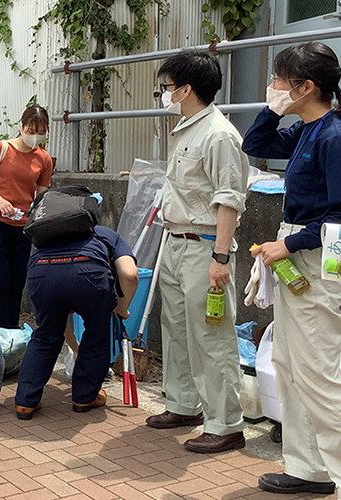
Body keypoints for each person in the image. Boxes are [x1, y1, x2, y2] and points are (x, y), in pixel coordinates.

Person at [242, 42, 341, 496]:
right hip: (297, 253)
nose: (273, 86)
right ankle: (309, 469)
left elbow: (340, 216)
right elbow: (255, 144)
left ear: (307, 86)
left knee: (320, 373)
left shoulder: (333, 136)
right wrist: (272, 107)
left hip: (318, 258)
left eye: (281, 81)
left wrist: (291, 243)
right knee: (291, 364)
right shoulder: (306, 128)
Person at [146, 49, 249, 454]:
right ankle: (183, 404)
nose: (164, 93)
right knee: (175, 330)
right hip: (175, 242)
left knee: (211, 336)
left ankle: (226, 423)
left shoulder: (219, 134)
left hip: (205, 247)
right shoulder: (188, 128)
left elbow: (230, 199)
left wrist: (221, 257)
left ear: (187, 89)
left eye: (167, 87)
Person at [15, 224, 138, 419]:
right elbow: (129, 275)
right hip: (89, 275)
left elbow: (59, 320)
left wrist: (75, 347)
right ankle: (84, 398)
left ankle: (25, 402)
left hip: (41, 273)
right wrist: (122, 308)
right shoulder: (106, 234)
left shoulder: (50, 234)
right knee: (96, 334)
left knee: (46, 335)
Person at [0, 105, 53, 329]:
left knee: (17, 279)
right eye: (32, 129)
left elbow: (42, 191)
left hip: (23, 226)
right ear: (21, 127)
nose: (35, 135)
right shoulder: (1, 148)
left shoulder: (44, 159)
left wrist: (37, 214)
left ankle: (12, 327)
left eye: (41, 131)